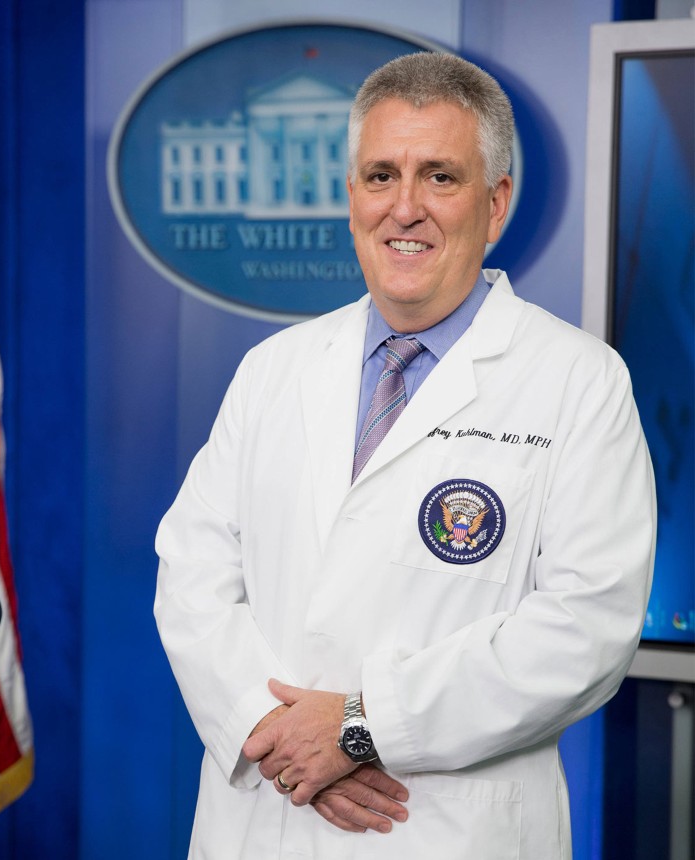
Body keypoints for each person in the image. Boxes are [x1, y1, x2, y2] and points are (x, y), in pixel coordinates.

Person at [154, 50, 655, 859]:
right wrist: (269, 726)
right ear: (351, 196)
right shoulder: (274, 368)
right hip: (265, 818)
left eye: (440, 177)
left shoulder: (578, 382)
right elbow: (191, 574)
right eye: (381, 175)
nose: (405, 208)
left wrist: (362, 725)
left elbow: (585, 628)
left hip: (445, 831)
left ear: (495, 203)